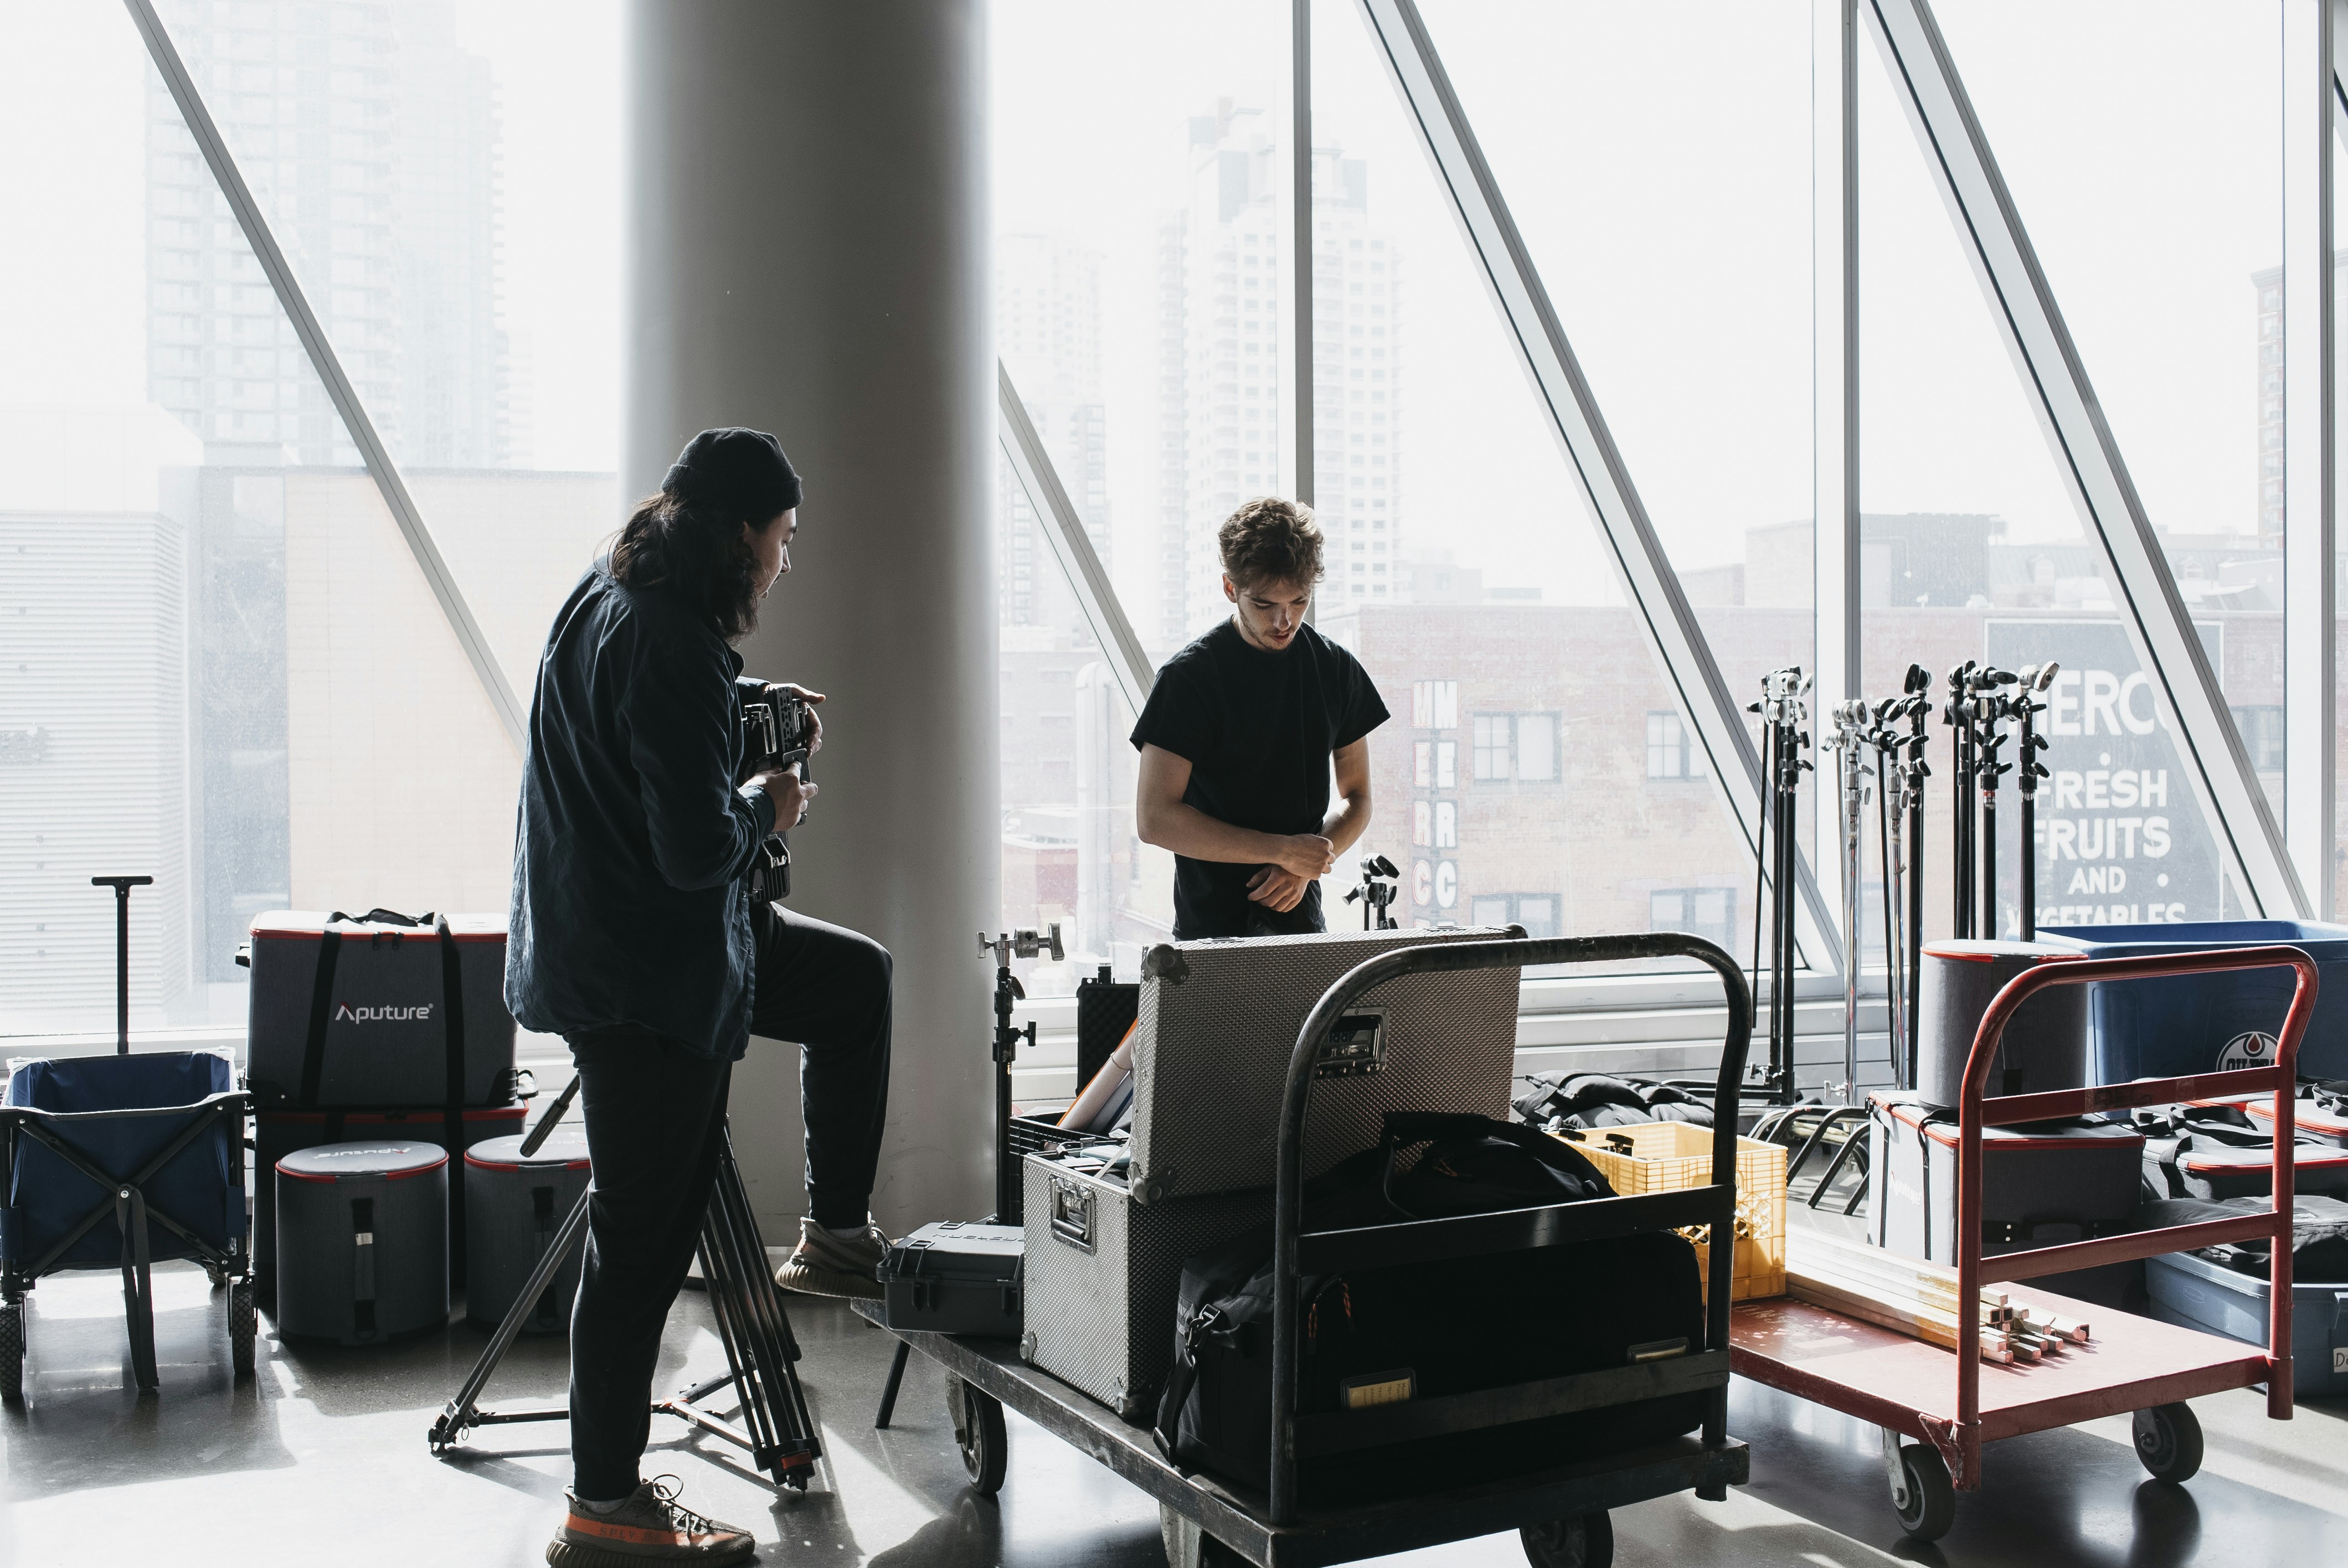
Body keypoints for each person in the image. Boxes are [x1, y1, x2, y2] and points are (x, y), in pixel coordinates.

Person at [508, 427, 894, 1567]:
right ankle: (602, 1506)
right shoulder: (675, 641)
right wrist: (772, 804)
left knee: (853, 981)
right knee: (640, 1244)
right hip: (646, 974)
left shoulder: (608, 592)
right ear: (738, 534)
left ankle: (835, 1235)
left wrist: (749, 702)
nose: (786, 559)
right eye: (782, 538)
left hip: (630, 940)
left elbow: (645, 735)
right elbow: (692, 849)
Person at [1131, 497, 1389, 939]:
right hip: (1210, 930)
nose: (1284, 621)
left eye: (1299, 601)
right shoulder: (1189, 679)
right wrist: (1283, 851)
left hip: (1302, 924)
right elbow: (1154, 818)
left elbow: (1358, 798)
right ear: (1231, 589)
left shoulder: (1336, 669)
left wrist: (1307, 862)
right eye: (1265, 604)